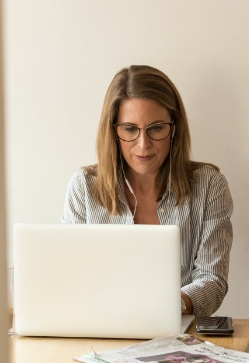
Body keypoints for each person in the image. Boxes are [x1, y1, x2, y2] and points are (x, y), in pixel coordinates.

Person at [62, 65, 233, 317]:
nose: (143, 145)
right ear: (113, 131)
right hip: (101, 330)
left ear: (174, 127)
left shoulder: (209, 186)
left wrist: (166, 307)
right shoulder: (83, 187)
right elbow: (70, 279)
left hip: (178, 334)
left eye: (156, 128)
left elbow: (213, 281)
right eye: (130, 129)